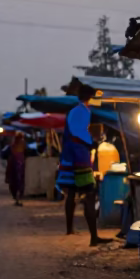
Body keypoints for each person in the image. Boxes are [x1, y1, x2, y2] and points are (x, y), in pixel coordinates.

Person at [58, 82, 109, 246]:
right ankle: (94, 237)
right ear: (90, 97)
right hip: (79, 156)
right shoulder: (82, 111)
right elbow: (79, 133)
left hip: (70, 156)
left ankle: (69, 228)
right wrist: (91, 143)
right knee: (89, 195)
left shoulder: (74, 111)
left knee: (71, 193)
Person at [6, 132, 27, 206]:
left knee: (14, 182)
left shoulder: (12, 145)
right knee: (20, 182)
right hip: (20, 165)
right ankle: (18, 198)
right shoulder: (22, 144)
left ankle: (17, 198)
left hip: (14, 165)